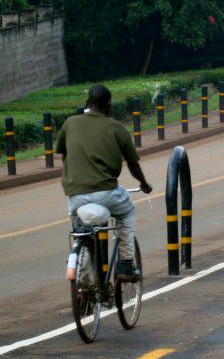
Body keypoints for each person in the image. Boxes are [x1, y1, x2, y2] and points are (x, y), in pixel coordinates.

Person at [56, 84, 152, 282]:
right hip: (106, 193)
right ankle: (126, 261)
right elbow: (133, 165)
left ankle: (82, 283)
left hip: (75, 196)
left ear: (88, 103)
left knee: (81, 232)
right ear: (108, 105)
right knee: (127, 211)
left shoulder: (70, 123)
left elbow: (64, 156)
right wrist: (144, 183)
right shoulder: (116, 128)